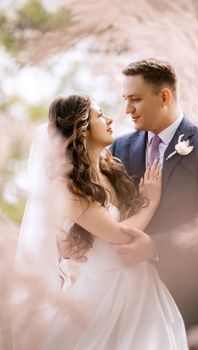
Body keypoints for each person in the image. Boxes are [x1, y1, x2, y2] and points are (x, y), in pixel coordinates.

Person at [15, 94, 188, 350]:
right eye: (99, 115)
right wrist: (151, 202)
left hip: (142, 285)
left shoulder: (110, 171)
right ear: (81, 129)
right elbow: (119, 235)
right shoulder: (65, 186)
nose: (109, 119)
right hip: (103, 292)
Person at [110, 58, 198, 336]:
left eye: (135, 99)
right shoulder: (120, 146)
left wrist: (153, 247)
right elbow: (107, 206)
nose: (127, 109)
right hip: (136, 292)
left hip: (196, 295)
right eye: (125, 99)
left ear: (164, 96)